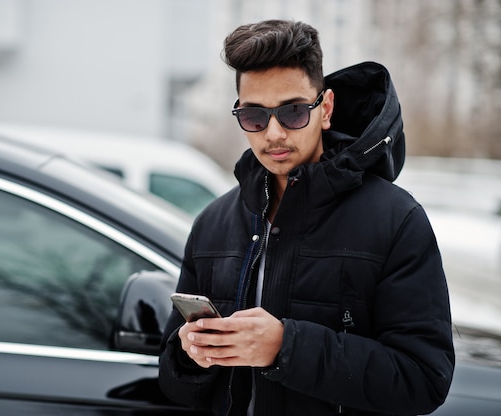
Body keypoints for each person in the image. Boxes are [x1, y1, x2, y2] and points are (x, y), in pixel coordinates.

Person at [158, 19, 455, 415]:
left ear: (325, 109)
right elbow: (176, 383)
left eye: (294, 112)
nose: (274, 133)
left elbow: (423, 379)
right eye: (254, 116)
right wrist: (190, 354)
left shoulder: (397, 221)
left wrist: (286, 347)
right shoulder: (213, 223)